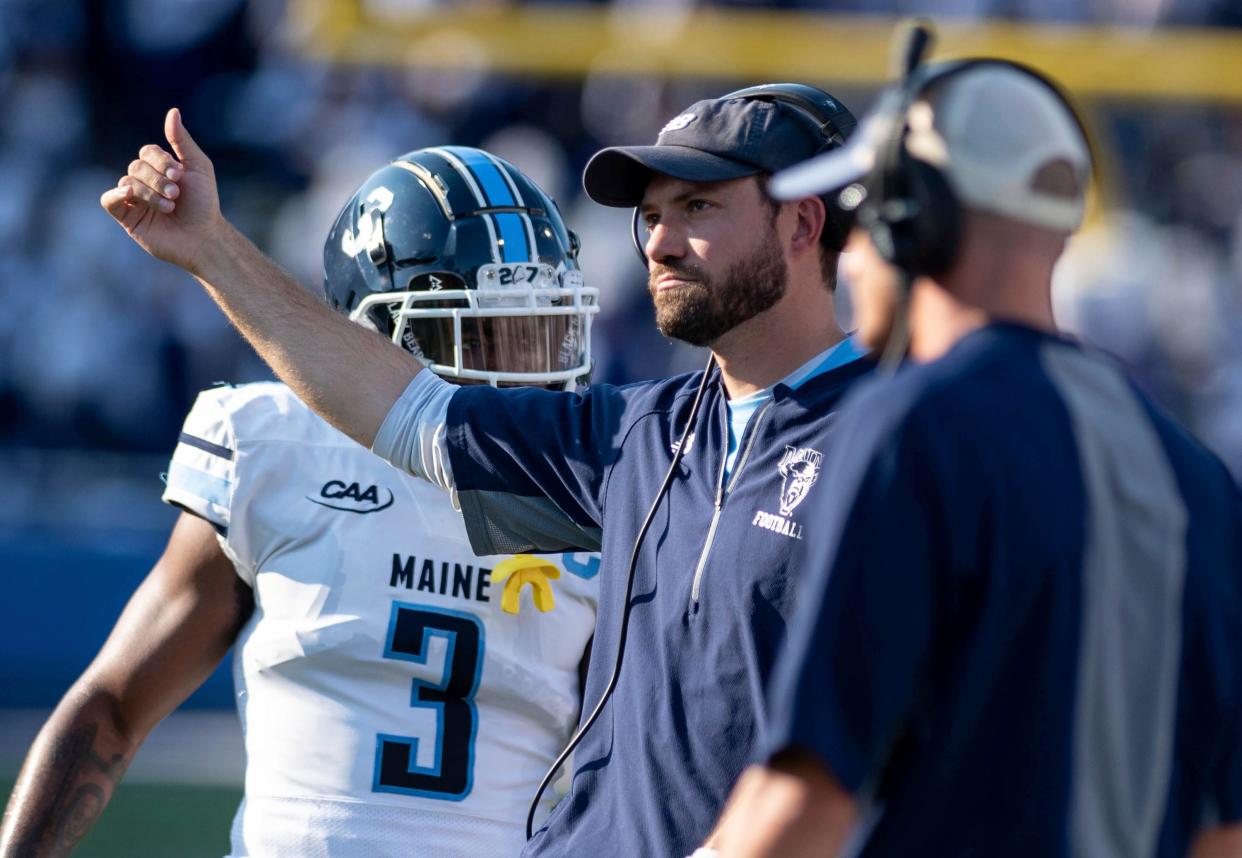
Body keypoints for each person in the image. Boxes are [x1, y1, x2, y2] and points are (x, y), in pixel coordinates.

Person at [92, 84, 872, 856]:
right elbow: (410, 409)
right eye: (653, 215)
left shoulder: (893, 437)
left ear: (803, 224)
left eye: (698, 208)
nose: (659, 244)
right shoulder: (642, 431)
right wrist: (211, 250)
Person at [708, 57, 1242, 858]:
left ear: (909, 217)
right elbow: (1222, 829)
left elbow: (808, 799)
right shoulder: (1193, 472)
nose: (849, 258)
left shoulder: (910, 426)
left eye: (860, 219)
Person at [0, 147, 601, 858]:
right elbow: (114, 705)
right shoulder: (276, 446)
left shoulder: (598, 486)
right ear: (381, 329)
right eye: (487, 333)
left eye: (538, 331)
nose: (522, 369)